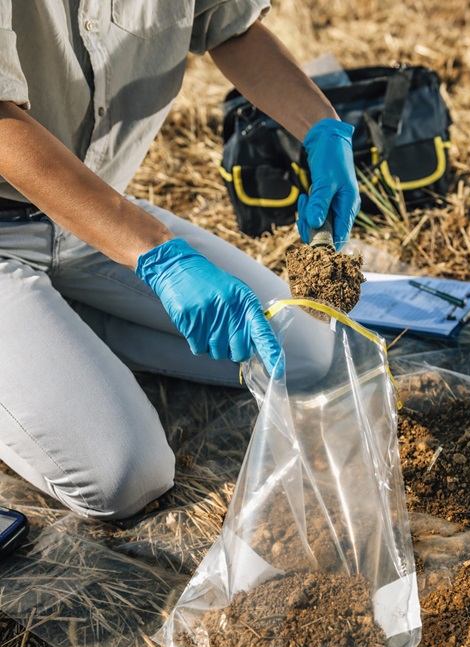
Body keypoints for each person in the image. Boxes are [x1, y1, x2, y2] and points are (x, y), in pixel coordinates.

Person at [0, 1, 360, 520]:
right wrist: (158, 256)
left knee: (306, 355)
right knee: (125, 476)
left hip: (95, 217)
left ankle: (68, 323)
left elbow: (229, 27)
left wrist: (322, 128)